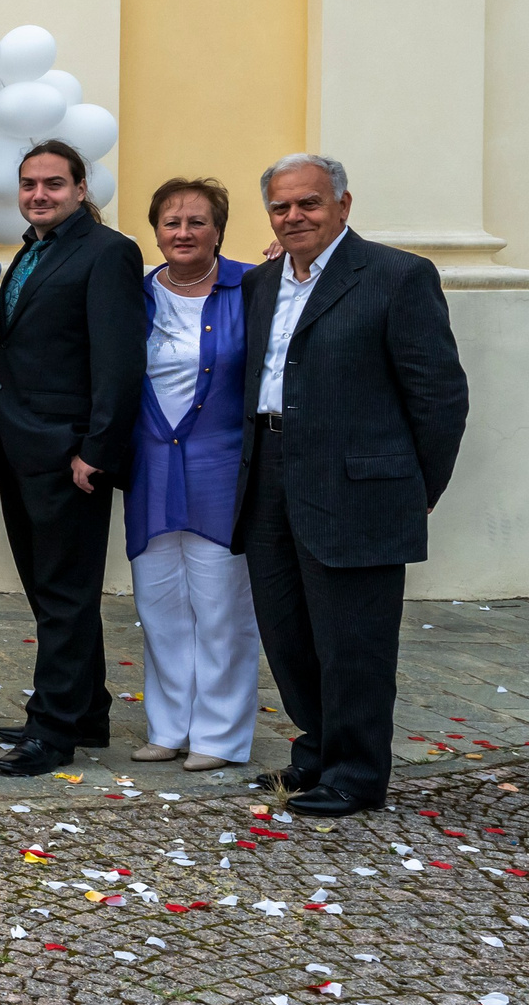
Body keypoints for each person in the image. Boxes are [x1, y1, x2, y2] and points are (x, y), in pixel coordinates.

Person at [235, 153, 467, 817]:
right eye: (281, 207)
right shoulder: (261, 284)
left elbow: (438, 394)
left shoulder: (396, 277)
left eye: (308, 203)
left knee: (353, 640)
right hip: (270, 472)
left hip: (359, 484)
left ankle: (356, 773)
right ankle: (317, 750)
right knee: (287, 630)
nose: (293, 216)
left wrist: (419, 484)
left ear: (343, 204)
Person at [0, 139, 147, 777]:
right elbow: (16, 364)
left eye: (53, 184)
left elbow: (119, 361)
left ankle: (53, 732)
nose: (39, 195)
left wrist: (96, 452)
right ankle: (85, 711)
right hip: (21, 447)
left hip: (69, 455)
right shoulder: (29, 251)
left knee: (65, 594)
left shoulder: (109, 253)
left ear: (81, 189)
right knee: (50, 592)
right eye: (29, 184)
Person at [123, 177, 259, 772]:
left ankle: (221, 735)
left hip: (220, 467)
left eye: (197, 222)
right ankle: (168, 727)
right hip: (150, 464)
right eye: (171, 222)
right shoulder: (135, 292)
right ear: (156, 230)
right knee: (160, 605)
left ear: (219, 230)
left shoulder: (253, 287)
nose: (183, 233)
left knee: (222, 606)